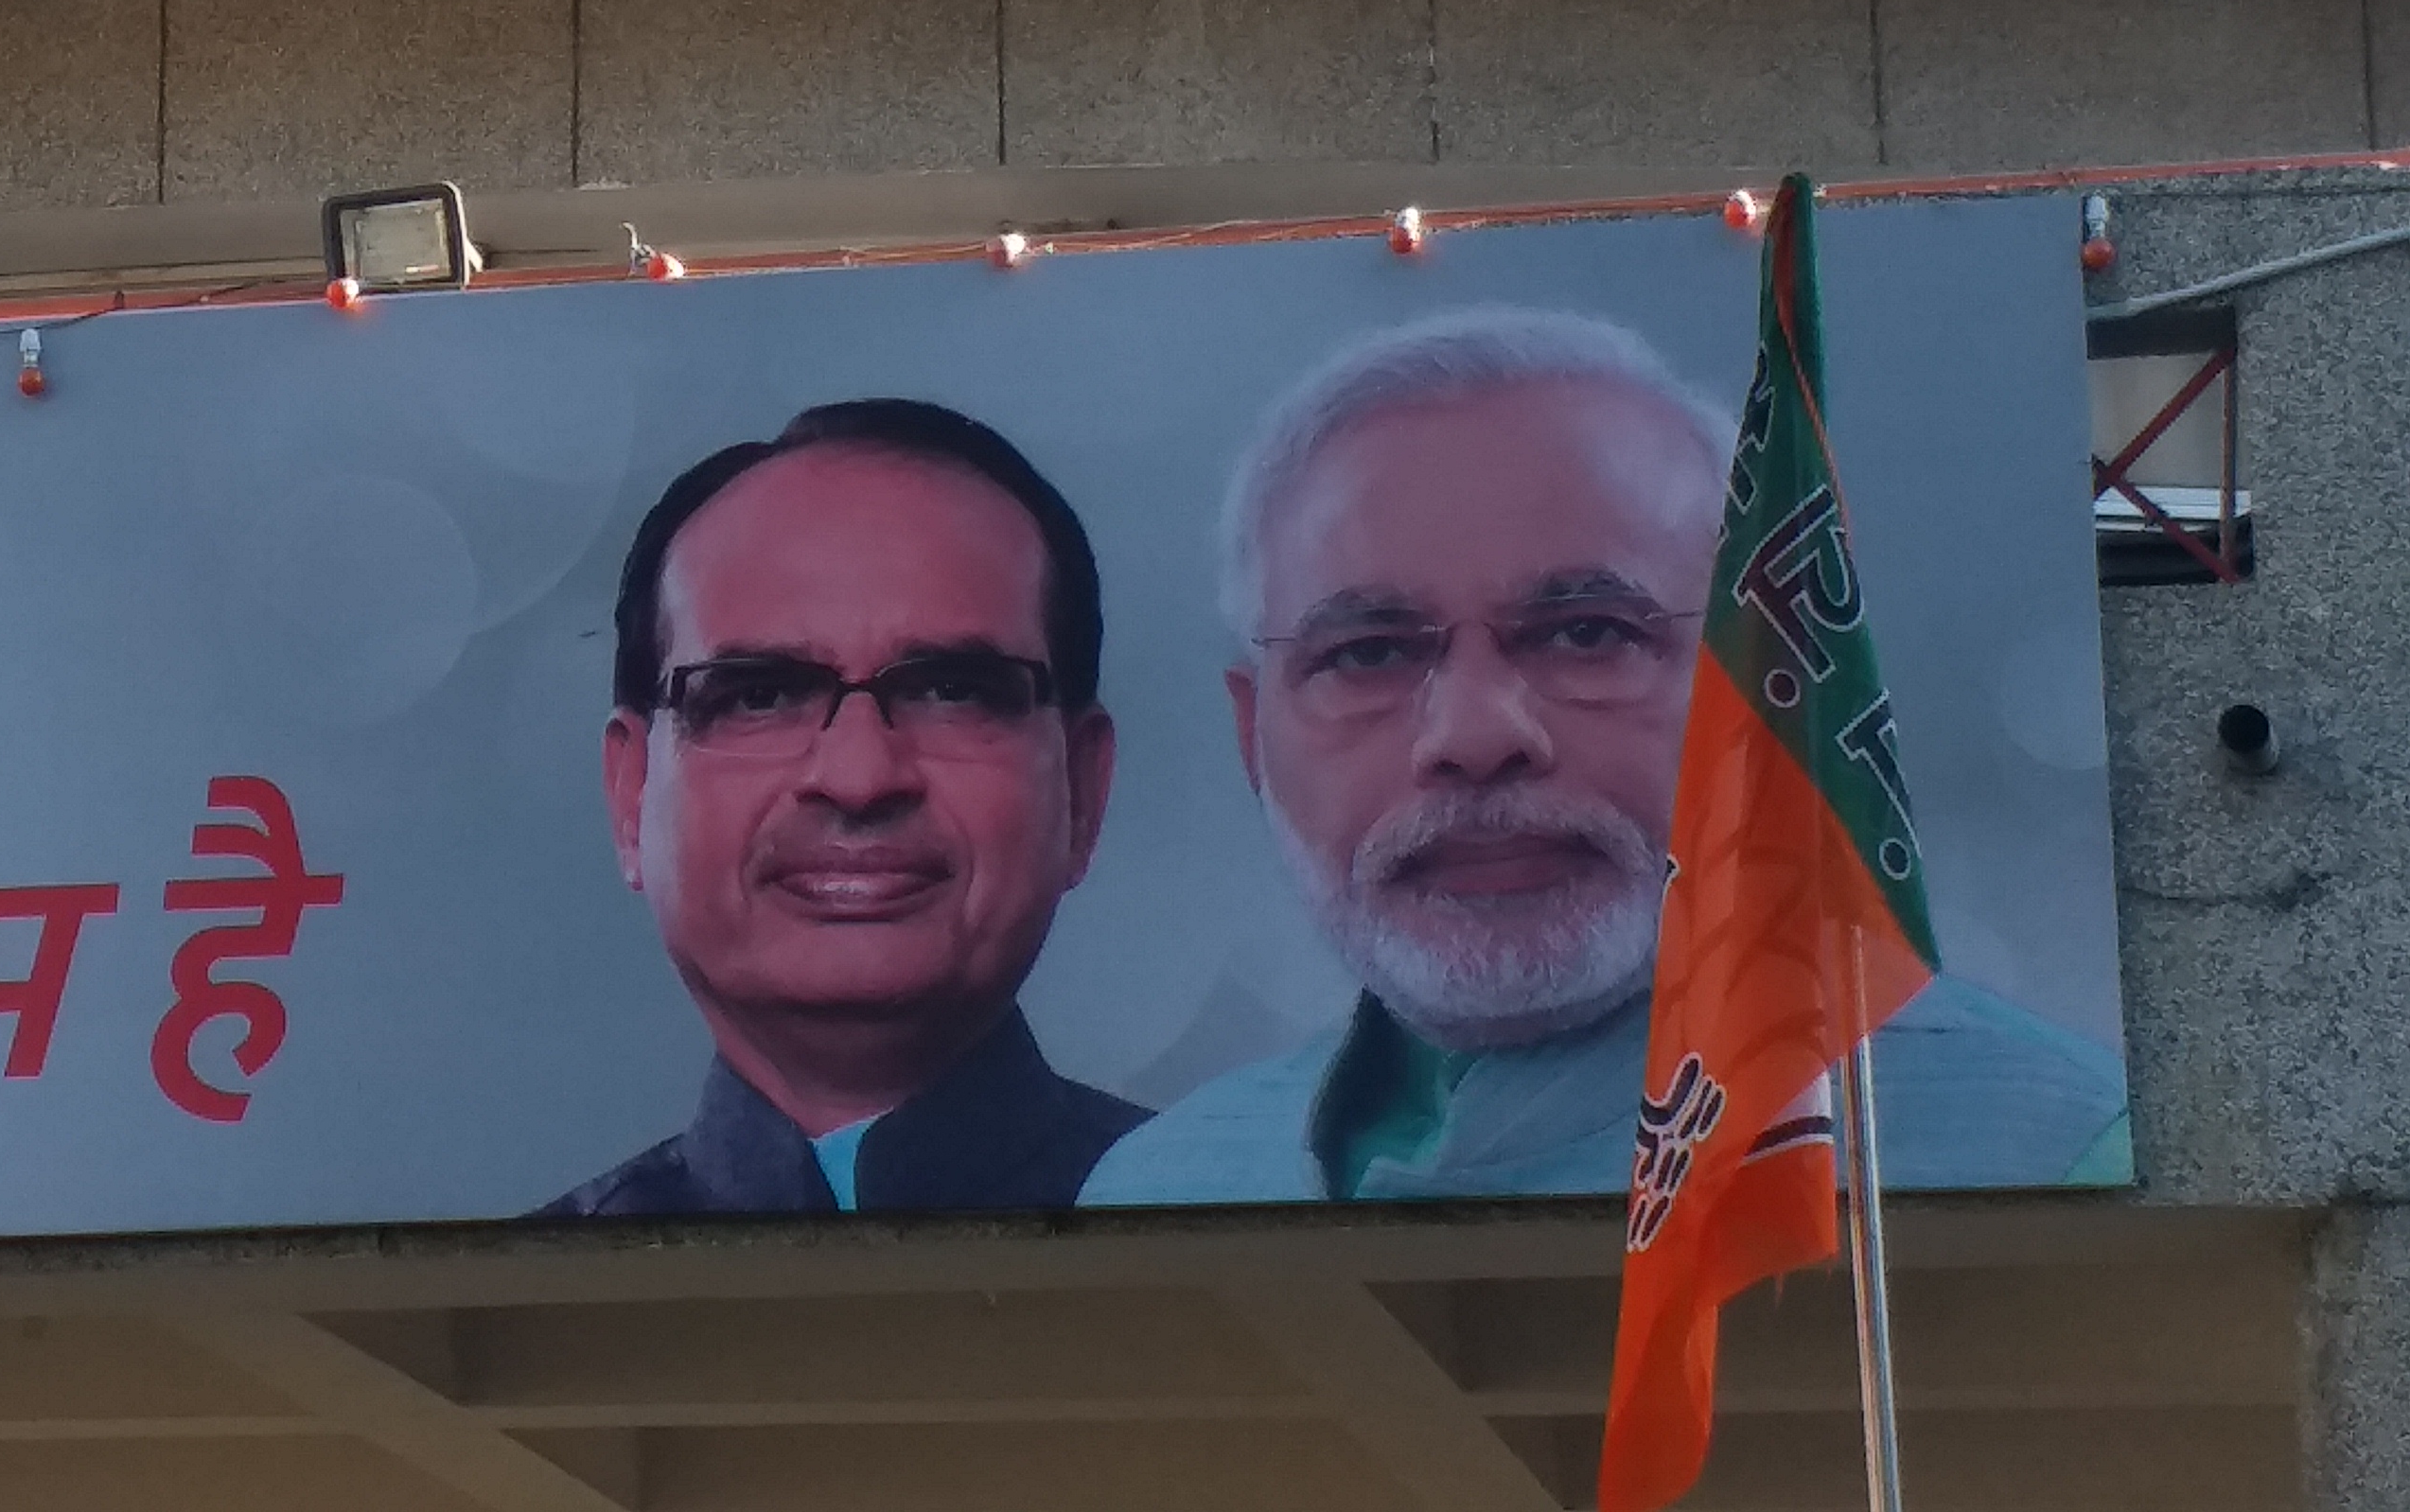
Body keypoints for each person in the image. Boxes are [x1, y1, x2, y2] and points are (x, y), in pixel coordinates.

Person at [1082, 309, 2128, 1207]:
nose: (1476, 738)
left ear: (1770, 688)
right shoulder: (1160, 1188)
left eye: (1587, 634)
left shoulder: (2062, 1151)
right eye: (1367, 654)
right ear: (1250, 737)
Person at [546, 398, 1142, 1216]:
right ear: (631, 792)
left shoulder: (1268, 1248)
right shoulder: (490, 1316)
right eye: (759, 695)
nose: (859, 778)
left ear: (1082, 787)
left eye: (950, 690)